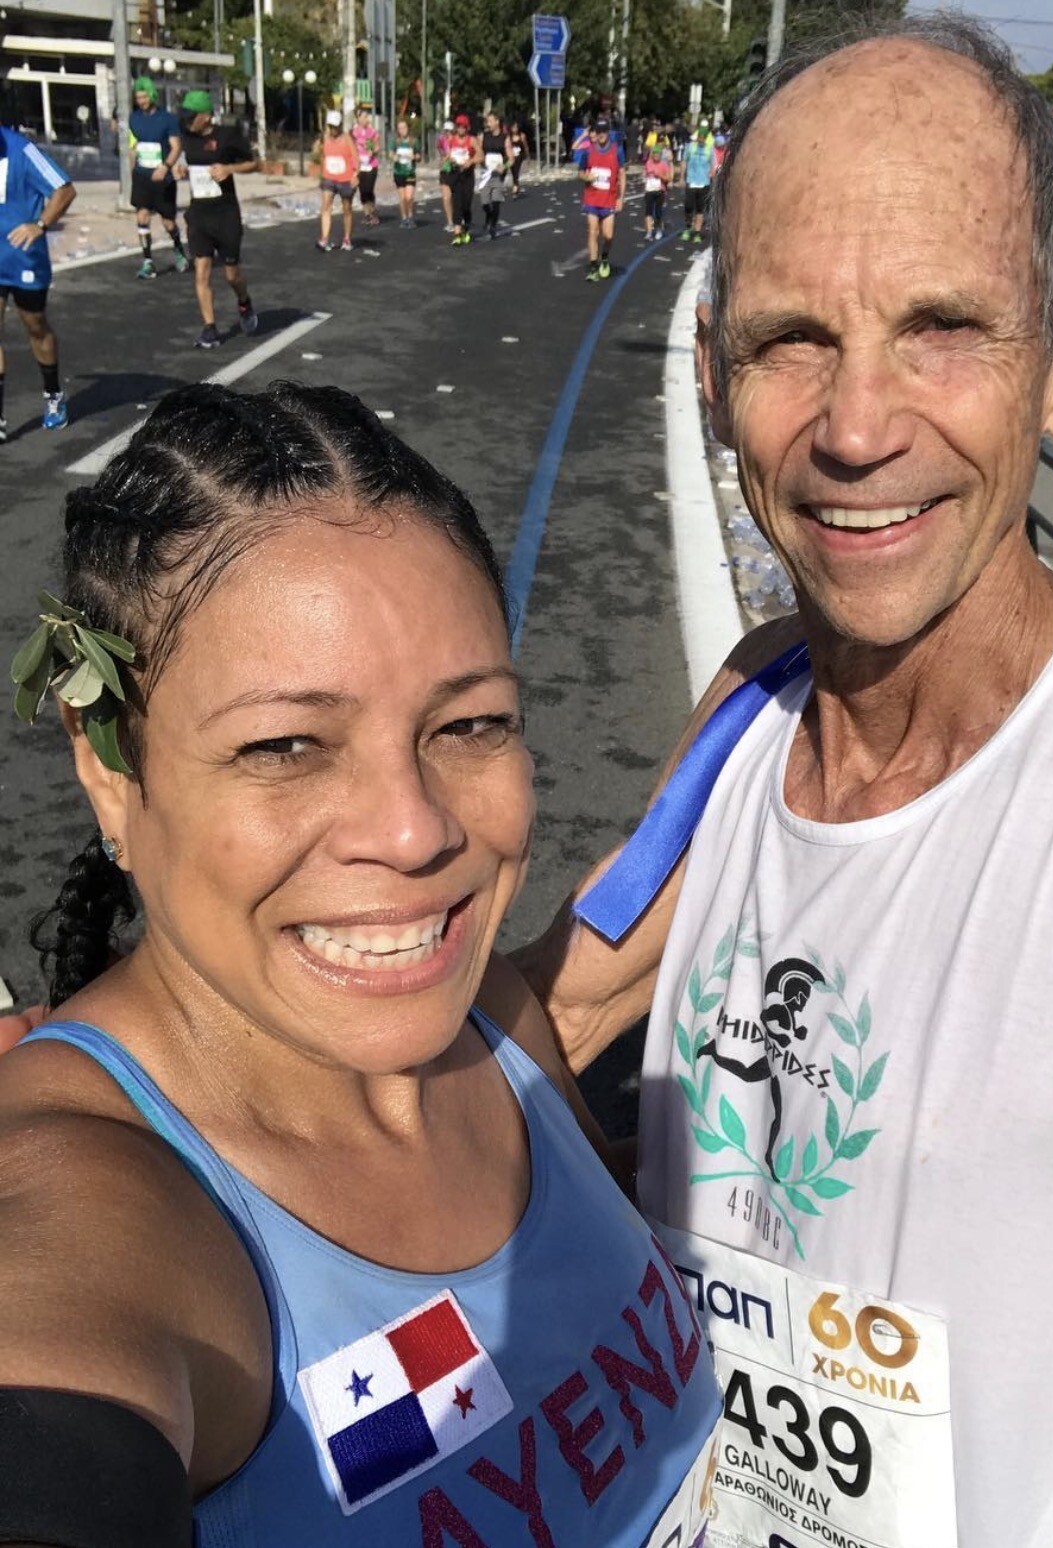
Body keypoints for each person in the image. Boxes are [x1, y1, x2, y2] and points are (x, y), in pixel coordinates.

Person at [516, 15, 1053, 1548]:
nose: (858, 428)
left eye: (943, 328)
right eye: (792, 340)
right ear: (715, 372)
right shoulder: (753, 707)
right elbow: (553, 1014)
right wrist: (149, 1078)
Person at [0, 380, 721, 1545]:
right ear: (109, 771)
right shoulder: (96, 1203)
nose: (414, 831)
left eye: (470, 724)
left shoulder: (488, 1022)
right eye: (286, 744)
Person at [0, 116, 74, 435]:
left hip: (25, 259)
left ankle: (54, 394)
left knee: (35, 326)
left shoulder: (23, 150)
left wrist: (40, 225)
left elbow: (65, 190)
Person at [176, 90, 259, 348]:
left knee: (231, 275)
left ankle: (244, 302)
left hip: (225, 215)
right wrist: (180, 168)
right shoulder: (187, 138)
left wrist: (229, 168)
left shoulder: (227, 136)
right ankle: (209, 328)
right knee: (201, 271)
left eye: (192, 117)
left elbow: (253, 163)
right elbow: (184, 159)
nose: (188, 122)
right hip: (199, 215)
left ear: (206, 116)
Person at [127, 77, 188, 280]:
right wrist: (132, 170)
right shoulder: (134, 118)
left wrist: (165, 166)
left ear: (152, 95)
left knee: (168, 222)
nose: (141, 101)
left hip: (163, 177)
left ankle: (178, 248)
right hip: (142, 176)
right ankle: (148, 262)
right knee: (142, 216)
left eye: (144, 97)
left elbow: (176, 147)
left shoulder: (167, 119)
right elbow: (132, 146)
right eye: (138, 98)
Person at [575, 116, 625, 282]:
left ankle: (604, 257)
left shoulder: (617, 150)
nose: (601, 134)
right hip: (592, 198)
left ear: (608, 132)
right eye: (599, 131)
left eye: (604, 131)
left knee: (608, 235)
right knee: (593, 231)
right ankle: (593, 267)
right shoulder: (588, 151)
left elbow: (622, 174)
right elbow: (580, 172)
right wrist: (586, 177)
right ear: (595, 132)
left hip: (609, 199)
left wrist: (621, 198)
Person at [316, 110, 358, 252]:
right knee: (326, 206)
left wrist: (355, 174)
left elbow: (355, 157)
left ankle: (347, 238)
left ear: (339, 125)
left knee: (347, 208)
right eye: (331, 126)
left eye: (335, 126)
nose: (333, 129)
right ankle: (324, 239)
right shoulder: (325, 138)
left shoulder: (347, 138)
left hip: (345, 179)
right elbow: (322, 155)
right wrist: (322, 172)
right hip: (329, 178)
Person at [442, 112, 477, 246]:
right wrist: (448, 159)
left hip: (468, 175)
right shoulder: (452, 140)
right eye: (459, 126)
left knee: (466, 205)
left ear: (467, 127)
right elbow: (447, 155)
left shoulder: (472, 140)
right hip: (456, 174)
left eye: (463, 126)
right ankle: (457, 234)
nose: (461, 129)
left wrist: (471, 161)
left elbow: (481, 155)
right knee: (457, 203)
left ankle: (466, 228)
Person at [679, 118, 715, 244]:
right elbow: (684, 161)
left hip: (703, 182)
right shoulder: (690, 147)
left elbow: (713, 165)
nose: (701, 139)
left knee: (700, 208)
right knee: (688, 206)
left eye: (703, 137)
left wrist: (711, 173)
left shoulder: (709, 149)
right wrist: (682, 177)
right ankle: (688, 228)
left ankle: (697, 232)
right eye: (700, 137)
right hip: (691, 180)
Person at [477, 111, 511, 240]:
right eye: (487, 121)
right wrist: (480, 161)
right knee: (485, 203)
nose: (488, 124)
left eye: (490, 121)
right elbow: (478, 152)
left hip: (498, 175)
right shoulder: (483, 136)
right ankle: (489, 215)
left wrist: (505, 166)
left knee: (496, 201)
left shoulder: (504, 138)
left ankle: (493, 226)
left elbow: (511, 158)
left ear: (497, 121)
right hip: (486, 173)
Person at [352, 105, 380, 227]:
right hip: (359, 166)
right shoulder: (353, 133)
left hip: (371, 165)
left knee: (369, 190)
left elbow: (377, 147)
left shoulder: (371, 131)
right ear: (358, 118)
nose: (366, 119)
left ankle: (372, 212)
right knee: (362, 191)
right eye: (363, 117)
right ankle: (367, 215)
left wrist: (372, 151)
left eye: (366, 116)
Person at [642, 135, 673, 243]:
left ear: (660, 155)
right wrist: (645, 180)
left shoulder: (664, 165)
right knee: (648, 212)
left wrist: (660, 176)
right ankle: (649, 232)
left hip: (660, 190)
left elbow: (668, 178)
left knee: (658, 212)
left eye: (658, 154)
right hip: (650, 190)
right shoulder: (648, 163)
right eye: (654, 154)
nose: (656, 156)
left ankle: (659, 229)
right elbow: (645, 175)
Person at [391, 118, 418, 228]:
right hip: (399, 172)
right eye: (400, 128)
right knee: (402, 198)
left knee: (409, 197)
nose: (402, 130)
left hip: (410, 172)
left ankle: (410, 217)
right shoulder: (395, 141)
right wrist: (394, 157)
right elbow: (390, 154)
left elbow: (419, 156)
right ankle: (404, 218)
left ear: (408, 128)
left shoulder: (414, 141)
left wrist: (414, 157)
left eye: (404, 128)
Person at [436, 118, 454, 230]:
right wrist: (442, 156)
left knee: (456, 197)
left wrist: (446, 157)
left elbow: (452, 153)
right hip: (445, 170)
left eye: (450, 131)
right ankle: (450, 221)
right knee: (446, 197)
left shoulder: (456, 140)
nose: (448, 133)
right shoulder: (441, 139)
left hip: (455, 170)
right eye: (446, 131)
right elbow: (438, 147)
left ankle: (458, 218)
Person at [507, 117, 530, 196]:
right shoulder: (509, 137)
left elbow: (525, 146)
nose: (515, 129)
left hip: (519, 156)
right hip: (511, 156)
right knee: (513, 172)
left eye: (516, 127)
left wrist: (527, 156)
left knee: (516, 171)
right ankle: (516, 185)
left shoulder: (522, 136)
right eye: (513, 127)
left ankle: (515, 188)